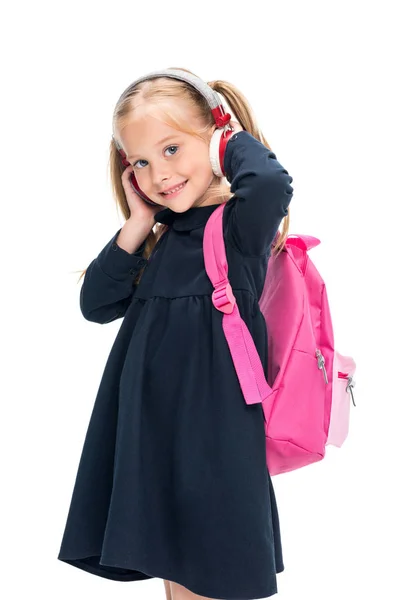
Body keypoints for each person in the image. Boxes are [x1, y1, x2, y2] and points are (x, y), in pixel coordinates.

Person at [57, 67, 294, 600]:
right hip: (154, 432)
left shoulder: (237, 228)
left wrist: (225, 141)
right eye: (139, 161)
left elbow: (272, 183)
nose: (158, 174)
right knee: (176, 575)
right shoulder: (161, 236)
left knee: (210, 572)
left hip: (212, 434)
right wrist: (138, 222)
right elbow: (95, 304)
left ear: (214, 140)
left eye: (171, 149)